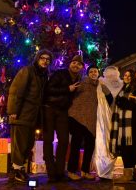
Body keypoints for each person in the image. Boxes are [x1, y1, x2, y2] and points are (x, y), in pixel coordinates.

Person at [7, 49, 53, 183]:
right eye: (42, 58)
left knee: (28, 144)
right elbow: (16, 91)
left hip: (33, 117)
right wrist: (13, 111)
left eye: (48, 59)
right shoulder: (27, 71)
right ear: (37, 59)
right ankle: (16, 170)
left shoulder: (44, 75)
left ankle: (19, 169)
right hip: (22, 114)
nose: (45, 61)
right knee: (19, 144)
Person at [42, 55, 83, 183]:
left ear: (81, 67)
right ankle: (51, 173)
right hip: (49, 108)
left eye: (79, 64)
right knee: (48, 140)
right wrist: (67, 89)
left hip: (63, 111)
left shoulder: (79, 79)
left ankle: (60, 172)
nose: (76, 65)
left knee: (64, 141)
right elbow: (48, 89)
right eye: (74, 62)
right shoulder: (61, 73)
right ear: (70, 63)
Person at [67, 65, 113, 180]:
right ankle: (72, 171)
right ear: (88, 74)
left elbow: (110, 99)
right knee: (76, 145)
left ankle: (85, 171)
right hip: (77, 118)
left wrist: (105, 89)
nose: (93, 73)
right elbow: (71, 95)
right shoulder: (82, 82)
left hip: (92, 119)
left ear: (98, 73)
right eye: (91, 71)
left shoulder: (100, 86)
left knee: (90, 146)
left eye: (95, 71)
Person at [110, 69, 136, 183]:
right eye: (125, 75)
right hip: (122, 123)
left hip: (130, 124)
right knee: (125, 149)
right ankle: (128, 174)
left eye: (130, 76)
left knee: (129, 149)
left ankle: (129, 174)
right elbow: (120, 102)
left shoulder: (134, 88)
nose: (127, 77)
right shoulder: (123, 88)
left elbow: (133, 102)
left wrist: (124, 100)